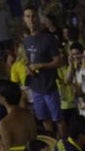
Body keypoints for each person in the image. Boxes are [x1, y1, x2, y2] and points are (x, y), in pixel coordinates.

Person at [22, 5, 64, 136]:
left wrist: (41, 65)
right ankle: (50, 141)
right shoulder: (26, 40)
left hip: (49, 86)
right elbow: (29, 60)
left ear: (38, 18)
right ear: (24, 19)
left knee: (58, 119)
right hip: (36, 87)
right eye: (28, 16)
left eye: (33, 16)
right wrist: (28, 68)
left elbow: (58, 61)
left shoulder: (48, 38)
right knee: (44, 118)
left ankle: (65, 143)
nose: (31, 19)